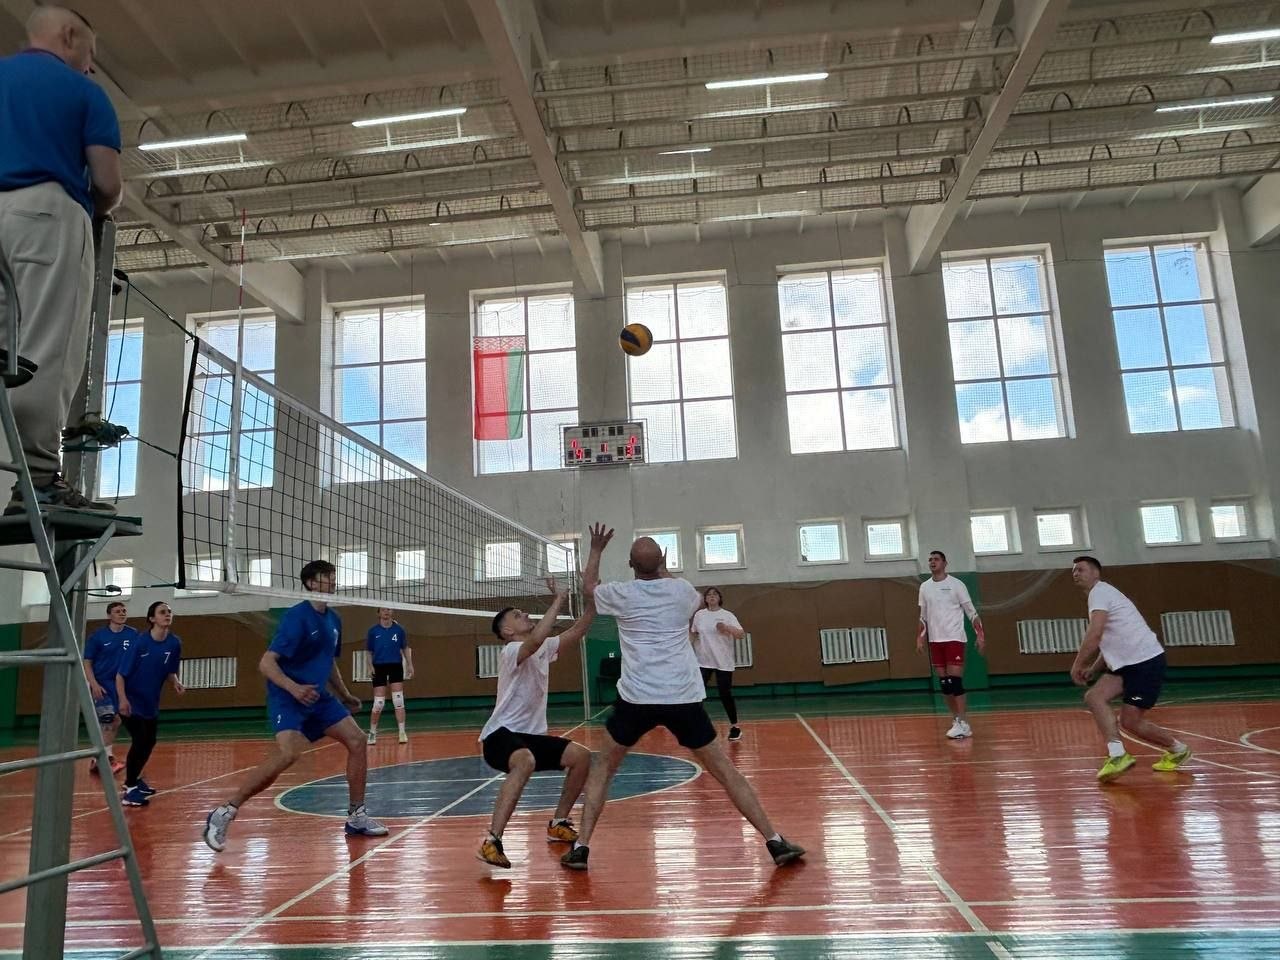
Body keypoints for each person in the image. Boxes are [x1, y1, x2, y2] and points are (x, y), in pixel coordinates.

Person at [561, 536, 804, 871]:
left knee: (603, 767)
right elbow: (684, 592)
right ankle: (774, 841)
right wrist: (663, 568)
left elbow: (588, 587)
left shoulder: (621, 593)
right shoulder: (682, 591)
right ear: (662, 562)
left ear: (630, 565)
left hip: (636, 700)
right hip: (682, 698)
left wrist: (597, 550)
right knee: (725, 771)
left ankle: (581, 848)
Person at [0, 5, 123, 513]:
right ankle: (39, 479)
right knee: (45, 350)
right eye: (89, 53)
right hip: (46, 215)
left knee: (4, 355)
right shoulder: (84, 93)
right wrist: (96, 210)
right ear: (69, 36)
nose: (90, 66)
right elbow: (107, 184)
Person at [202, 560, 388, 851]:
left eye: (333, 576)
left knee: (357, 740)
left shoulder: (334, 619)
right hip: (288, 696)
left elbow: (328, 662)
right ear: (311, 583)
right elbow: (266, 663)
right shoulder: (296, 617)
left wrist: (344, 694)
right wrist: (294, 688)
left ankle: (356, 816)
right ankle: (225, 811)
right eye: (326, 576)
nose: (333, 580)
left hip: (318, 696)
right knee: (289, 753)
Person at [477, 523, 609, 869]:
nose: (524, 614)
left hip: (530, 736)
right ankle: (492, 841)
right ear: (507, 631)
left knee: (582, 757)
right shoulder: (511, 651)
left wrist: (592, 600)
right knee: (525, 761)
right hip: (500, 736)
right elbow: (535, 640)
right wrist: (558, 600)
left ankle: (558, 822)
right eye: (517, 615)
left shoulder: (542, 646)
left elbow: (577, 631)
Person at [1069, 556, 1191, 782]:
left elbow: (1095, 634)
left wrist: (1078, 664)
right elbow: (1110, 640)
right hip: (1125, 664)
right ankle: (1118, 755)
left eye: (1081, 569)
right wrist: (1094, 668)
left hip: (1145, 661)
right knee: (1094, 697)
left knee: (1131, 721)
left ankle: (1178, 749)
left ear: (1096, 573)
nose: (1076, 573)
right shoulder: (1100, 596)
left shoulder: (1100, 593)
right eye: (1074, 571)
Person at [115, 601, 184, 806]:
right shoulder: (140, 643)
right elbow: (120, 675)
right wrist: (123, 700)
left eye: (169, 611)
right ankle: (130, 789)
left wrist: (176, 682)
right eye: (162, 612)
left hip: (150, 702)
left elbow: (170, 670)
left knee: (149, 741)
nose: (167, 614)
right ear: (152, 618)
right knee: (141, 740)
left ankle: (134, 779)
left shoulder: (174, 643)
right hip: (131, 700)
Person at [917, 550, 985, 740]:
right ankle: (956, 720)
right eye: (930, 559)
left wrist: (980, 635)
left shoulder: (957, 585)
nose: (932, 562)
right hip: (935, 641)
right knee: (945, 684)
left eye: (936, 559)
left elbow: (971, 612)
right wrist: (920, 637)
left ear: (945, 563)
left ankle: (963, 721)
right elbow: (922, 617)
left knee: (955, 682)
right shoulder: (924, 587)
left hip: (954, 638)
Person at [83, 599, 137, 775]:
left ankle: (99, 758)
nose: (122, 613)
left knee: (117, 720)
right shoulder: (98, 636)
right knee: (108, 719)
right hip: (102, 683)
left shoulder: (132, 634)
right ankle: (105, 759)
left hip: (121, 684)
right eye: (117, 611)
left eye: (123, 611)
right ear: (109, 615)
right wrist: (94, 684)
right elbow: (87, 662)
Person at [691, 587, 745, 741]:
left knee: (725, 694)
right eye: (709, 594)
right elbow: (693, 634)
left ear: (719, 598)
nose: (712, 596)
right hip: (703, 660)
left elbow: (740, 634)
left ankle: (735, 727)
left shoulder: (727, 615)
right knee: (697, 693)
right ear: (705, 599)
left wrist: (726, 627)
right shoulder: (699, 615)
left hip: (723, 660)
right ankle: (697, 726)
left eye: (715, 594)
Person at [365, 608, 413, 745]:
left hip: (395, 665)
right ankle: (372, 733)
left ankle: (402, 732)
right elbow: (368, 651)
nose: (386, 611)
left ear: (392, 612)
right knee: (378, 703)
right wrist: (370, 666)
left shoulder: (399, 630)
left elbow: (405, 648)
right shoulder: (373, 631)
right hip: (379, 666)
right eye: (383, 609)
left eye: (389, 609)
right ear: (378, 613)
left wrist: (410, 664)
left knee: (398, 700)